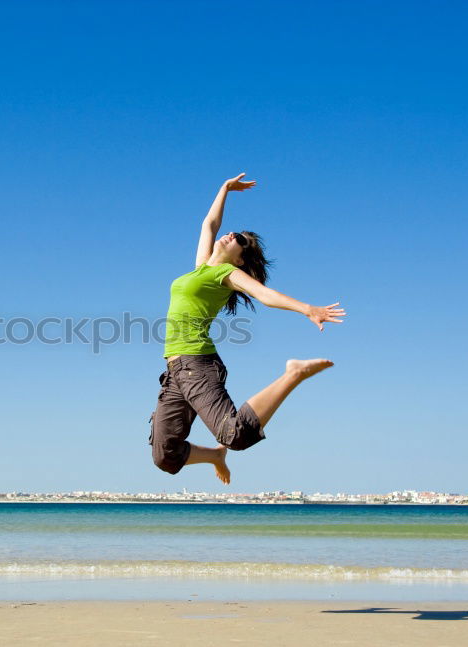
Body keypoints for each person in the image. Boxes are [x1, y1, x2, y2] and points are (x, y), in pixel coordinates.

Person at [148, 173, 346, 484]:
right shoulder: (203, 267)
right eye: (234, 233)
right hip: (174, 371)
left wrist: (309, 309)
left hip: (196, 364)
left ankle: (294, 373)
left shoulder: (226, 274)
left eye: (240, 241)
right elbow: (208, 225)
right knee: (165, 455)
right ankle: (214, 454)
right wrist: (224, 189)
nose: (231, 235)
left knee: (235, 434)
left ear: (240, 260)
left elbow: (264, 296)